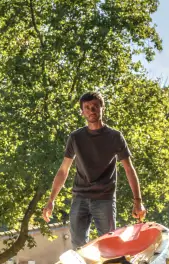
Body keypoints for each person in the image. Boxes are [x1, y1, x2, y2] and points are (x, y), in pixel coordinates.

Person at [42, 91, 146, 247]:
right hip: (80, 197)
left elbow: (129, 169)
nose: (91, 110)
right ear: (82, 112)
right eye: (87, 107)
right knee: (78, 246)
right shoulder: (75, 138)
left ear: (102, 108)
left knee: (109, 244)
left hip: (104, 198)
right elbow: (63, 170)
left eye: (95, 106)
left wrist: (138, 201)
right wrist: (51, 200)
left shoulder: (115, 137)